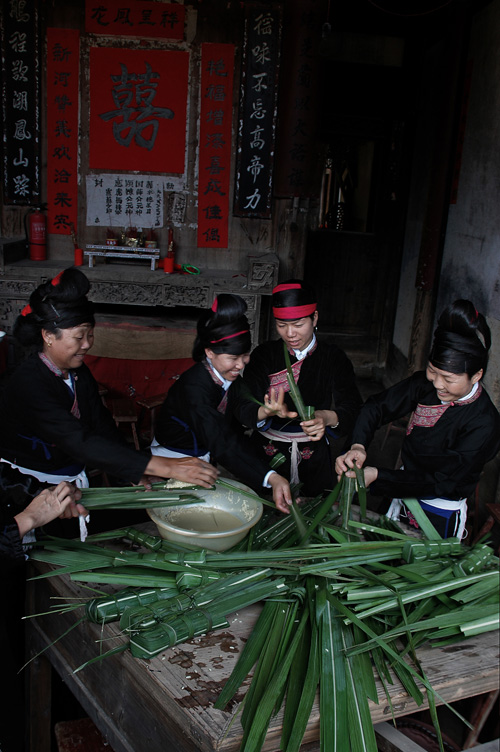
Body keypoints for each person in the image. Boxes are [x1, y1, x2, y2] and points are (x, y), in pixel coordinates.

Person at [0, 267, 218, 532]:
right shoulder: (28, 383)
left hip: (72, 485)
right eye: (79, 337)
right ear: (47, 336)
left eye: (90, 334)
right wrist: (166, 466)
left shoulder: (78, 372)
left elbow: (101, 425)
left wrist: (131, 471)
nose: (87, 344)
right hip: (31, 489)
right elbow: (78, 440)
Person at [335, 299, 500, 539]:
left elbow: (441, 481)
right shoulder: (425, 385)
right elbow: (376, 407)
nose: (437, 383)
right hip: (400, 489)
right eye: (433, 371)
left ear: (476, 375)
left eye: (448, 378)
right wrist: (358, 444)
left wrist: (378, 477)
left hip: (438, 509)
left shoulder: (484, 423)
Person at [152, 294, 293, 513]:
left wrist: (264, 412)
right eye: (233, 358)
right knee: (179, 512)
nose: (240, 364)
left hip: (205, 453)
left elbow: (241, 408)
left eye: (245, 355)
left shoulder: (229, 377)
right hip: (174, 459)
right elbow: (221, 440)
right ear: (209, 352)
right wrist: (270, 477)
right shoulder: (194, 388)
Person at [242, 279, 362, 496]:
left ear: (314, 318)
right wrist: (264, 411)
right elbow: (242, 403)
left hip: (313, 456)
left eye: (298, 325)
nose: (290, 334)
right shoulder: (264, 355)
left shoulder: (333, 357)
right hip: (266, 453)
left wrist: (326, 417)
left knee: (313, 515)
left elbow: (353, 408)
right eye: (281, 325)